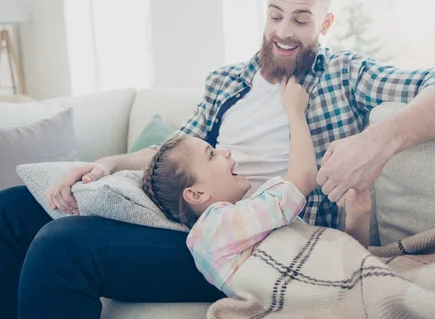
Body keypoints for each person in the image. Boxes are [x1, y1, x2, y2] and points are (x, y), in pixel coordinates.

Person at [0, 0, 435, 318]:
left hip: (246, 245)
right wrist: (106, 163)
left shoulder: (345, 75)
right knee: (4, 212)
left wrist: (381, 140)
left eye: (301, 19)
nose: (284, 30)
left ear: (324, 22)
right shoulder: (228, 82)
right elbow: (177, 148)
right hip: (190, 215)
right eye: (275, 13)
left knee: (64, 247)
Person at [142, 76, 371, 297]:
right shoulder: (210, 232)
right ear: (196, 193)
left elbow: (345, 270)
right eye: (211, 154)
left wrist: (358, 217)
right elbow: (304, 178)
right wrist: (295, 111)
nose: (225, 151)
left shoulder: (250, 224)